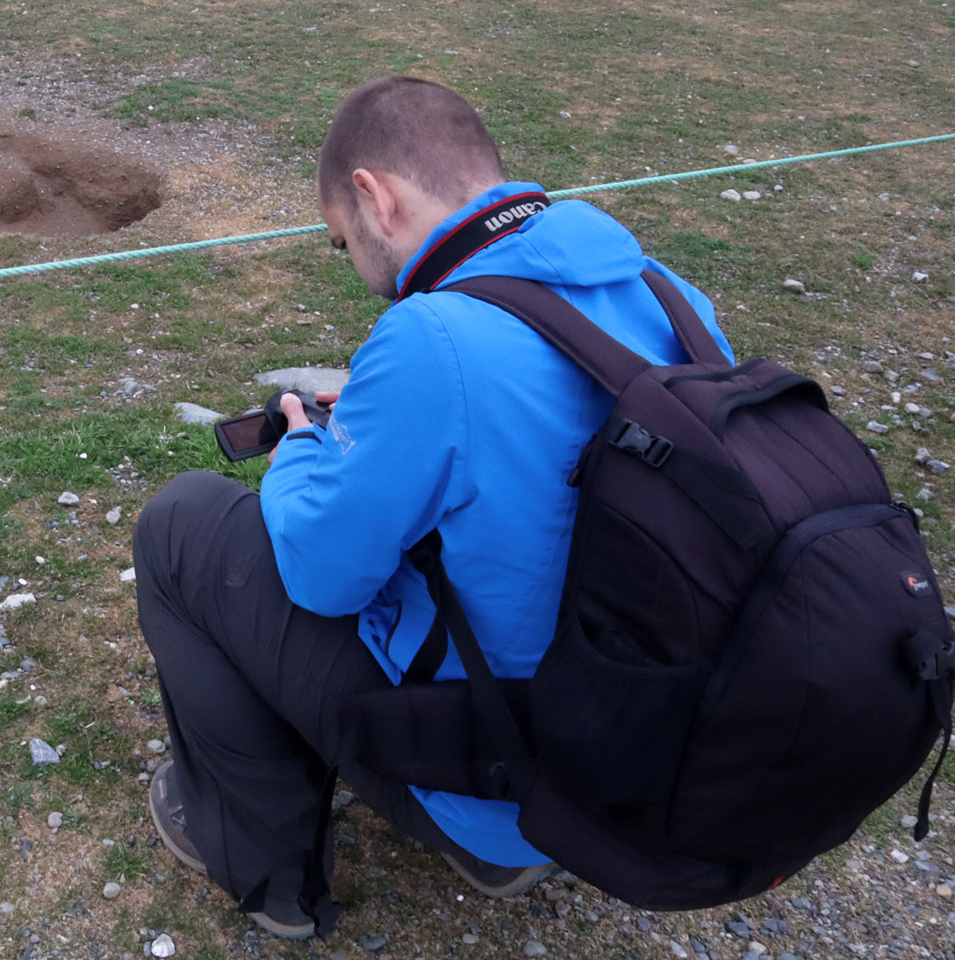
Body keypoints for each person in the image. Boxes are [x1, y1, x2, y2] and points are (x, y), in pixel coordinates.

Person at [133, 76, 732, 939]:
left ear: (373, 196)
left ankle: (264, 865)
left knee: (179, 526)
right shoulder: (668, 293)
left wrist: (305, 441)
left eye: (342, 242)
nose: (354, 263)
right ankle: (502, 846)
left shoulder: (433, 339)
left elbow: (323, 579)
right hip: (629, 750)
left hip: (502, 771)